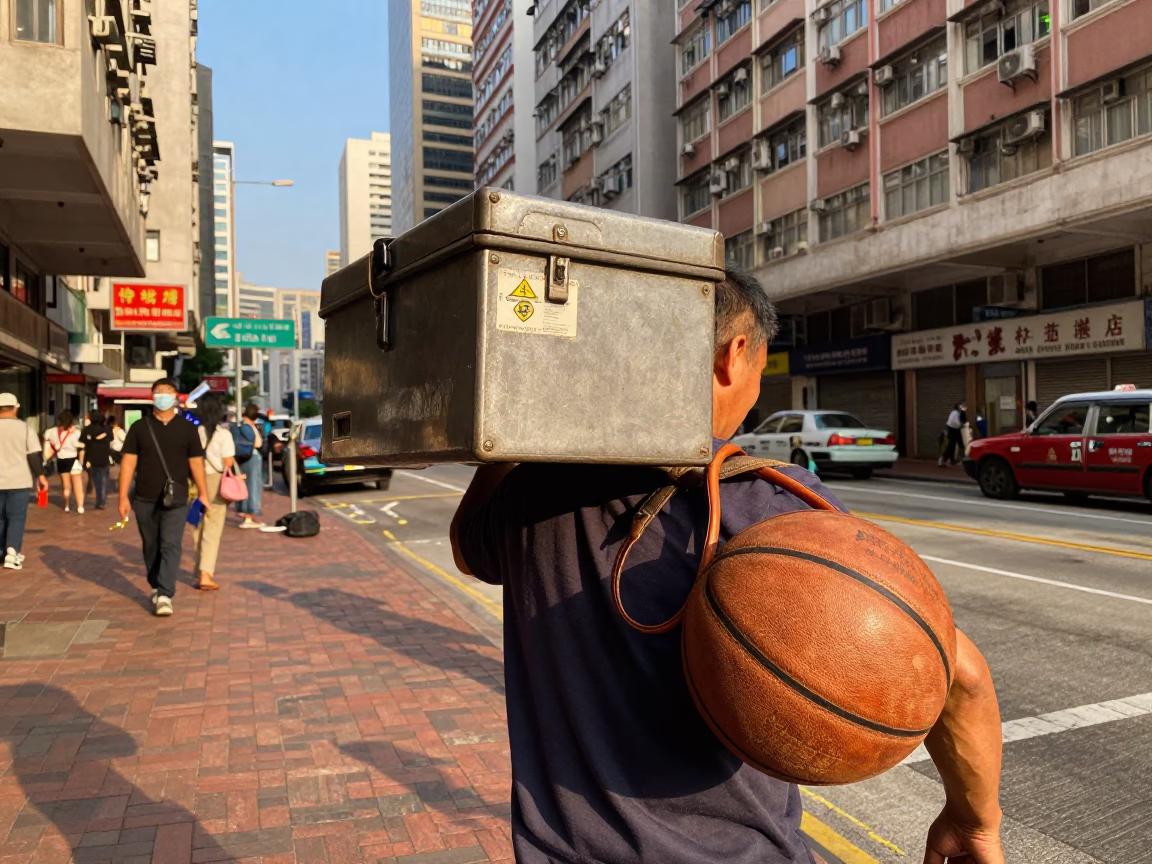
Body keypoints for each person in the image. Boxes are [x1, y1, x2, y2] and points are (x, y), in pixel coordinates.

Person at [450, 267, 1005, 864]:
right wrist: (974, 823)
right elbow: (958, 676)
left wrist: (523, 418)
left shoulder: (535, 492)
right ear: (735, 353)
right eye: (762, 372)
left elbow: (468, 543)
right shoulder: (776, 502)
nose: (755, 395)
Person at [117, 379, 210, 617]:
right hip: (144, 497)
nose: (162, 396)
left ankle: (165, 593)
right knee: (151, 546)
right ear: (152, 397)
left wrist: (204, 493)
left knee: (171, 544)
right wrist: (122, 497)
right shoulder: (140, 427)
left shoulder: (187, 429)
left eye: (167, 392)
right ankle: (157, 585)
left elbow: (196, 462)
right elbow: (128, 463)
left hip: (176, 498)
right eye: (158, 392)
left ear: (175, 397)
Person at [0, 393, 49, 571]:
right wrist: (41, 477)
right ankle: (12, 553)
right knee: (16, 517)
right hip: (18, 480)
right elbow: (33, 454)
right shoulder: (25, 428)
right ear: (15, 408)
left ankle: (1, 552)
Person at [192, 393, 235, 591]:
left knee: (197, 526)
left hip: (192, 481)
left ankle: (198, 570)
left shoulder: (193, 431)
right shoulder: (223, 434)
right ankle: (205, 573)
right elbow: (228, 463)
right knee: (213, 527)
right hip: (214, 482)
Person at [43, 410, 84, 512]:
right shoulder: (76, 433)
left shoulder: (52, 432)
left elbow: (47, 443)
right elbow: (82, 446)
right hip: (74, 460)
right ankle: (80, 507)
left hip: (61, 460)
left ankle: (66, 505)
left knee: (66, 485)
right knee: (78, 485)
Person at [235, 403, 265, 529]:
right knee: (253, 486)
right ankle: (249, 515)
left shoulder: (239, 425)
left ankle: (244, 512)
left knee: (244, 485)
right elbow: (258, 443)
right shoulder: (249, 427)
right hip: (252, 458)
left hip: (242, 459)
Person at [79, 411, 113, 510]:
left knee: (95, 479)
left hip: (91, 457)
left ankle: (98, 498)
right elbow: (111, 440)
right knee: (104, 479)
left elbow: (82, 442)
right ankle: (101, 500)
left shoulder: (87, 430)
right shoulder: (107, 429)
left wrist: (92, 439)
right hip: (104, 456)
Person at [939, 402, 965, 467]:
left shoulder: (957, 413)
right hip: (953, 430)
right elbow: (954, 422)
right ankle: (944, 459)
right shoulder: (955, 413)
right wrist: (960, 425)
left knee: (954, 445)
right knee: (952, 445)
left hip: (954, 430)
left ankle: (951, 460)